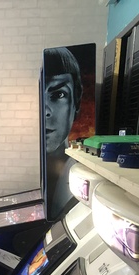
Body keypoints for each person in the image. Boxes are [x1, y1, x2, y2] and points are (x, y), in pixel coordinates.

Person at [43, 46, 83, 219]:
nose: (45, 111)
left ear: (77, 101)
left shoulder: (81, 175)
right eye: (41, 95)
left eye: (58, 94)